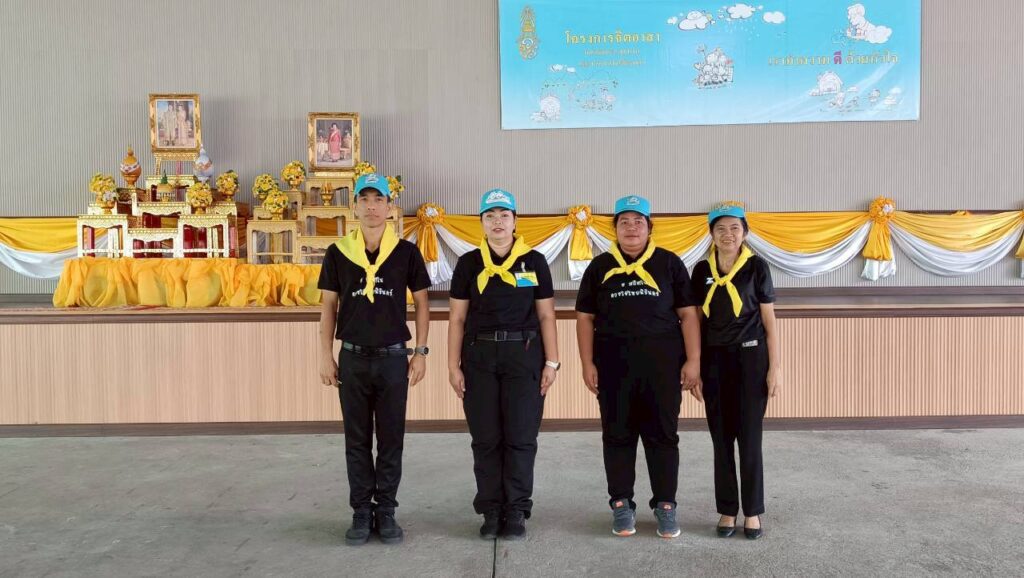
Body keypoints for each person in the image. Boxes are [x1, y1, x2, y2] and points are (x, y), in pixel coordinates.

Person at [575, 195, 702, 539]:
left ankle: (666, 505)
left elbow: (688, 315)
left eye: (638, 222)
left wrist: (693, 360)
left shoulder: (669, 263)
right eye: (624, 222)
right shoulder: (599, 266)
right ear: (615, 229)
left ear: (649, 227)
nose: (631, 228)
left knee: (663, 435)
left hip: (663, 366)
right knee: (617, 435)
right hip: (613, 366)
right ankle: (621, 504)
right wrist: (586, 362)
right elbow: (585, 318)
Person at [317, 172, 432, 546]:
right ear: (355, 206)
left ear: (389, 206)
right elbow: (328, 307)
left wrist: (421, 352)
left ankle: (386, 510)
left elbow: (422, 304)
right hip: (352, 358)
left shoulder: (406, 253)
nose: (371, 206)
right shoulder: (338, 253)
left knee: (391, 439)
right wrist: (325, 355)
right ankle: (361, 512)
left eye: (378, 199)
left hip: (393, 359)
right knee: (356, 439)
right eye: (364, 199)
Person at [447, 189, 559, 540]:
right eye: (490, 216)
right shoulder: (468, 263)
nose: (497, 222)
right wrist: (453, 365)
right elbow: (457, 318)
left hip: (523, 356)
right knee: (486, 438)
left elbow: (546, 315)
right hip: (479, 357)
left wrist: (552, 362)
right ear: (481, 222)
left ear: (515, 221)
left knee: (521, 436)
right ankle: (491, 509)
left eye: (504, 215)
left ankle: (517, 509)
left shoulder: (534, 261)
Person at [689, 201, 781, 540]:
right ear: (711, 234)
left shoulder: (757, 267)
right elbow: (696, 322)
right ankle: (728, 509)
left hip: (751, 359)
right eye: (720, 229)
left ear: (745, 232)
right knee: (721, 438)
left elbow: (769, 322)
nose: (728, 234)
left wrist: (775, 368)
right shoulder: (701, 270)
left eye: (734, 228)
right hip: (714, 361)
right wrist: (695, 365)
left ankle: (752, 511)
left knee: (750, 438)